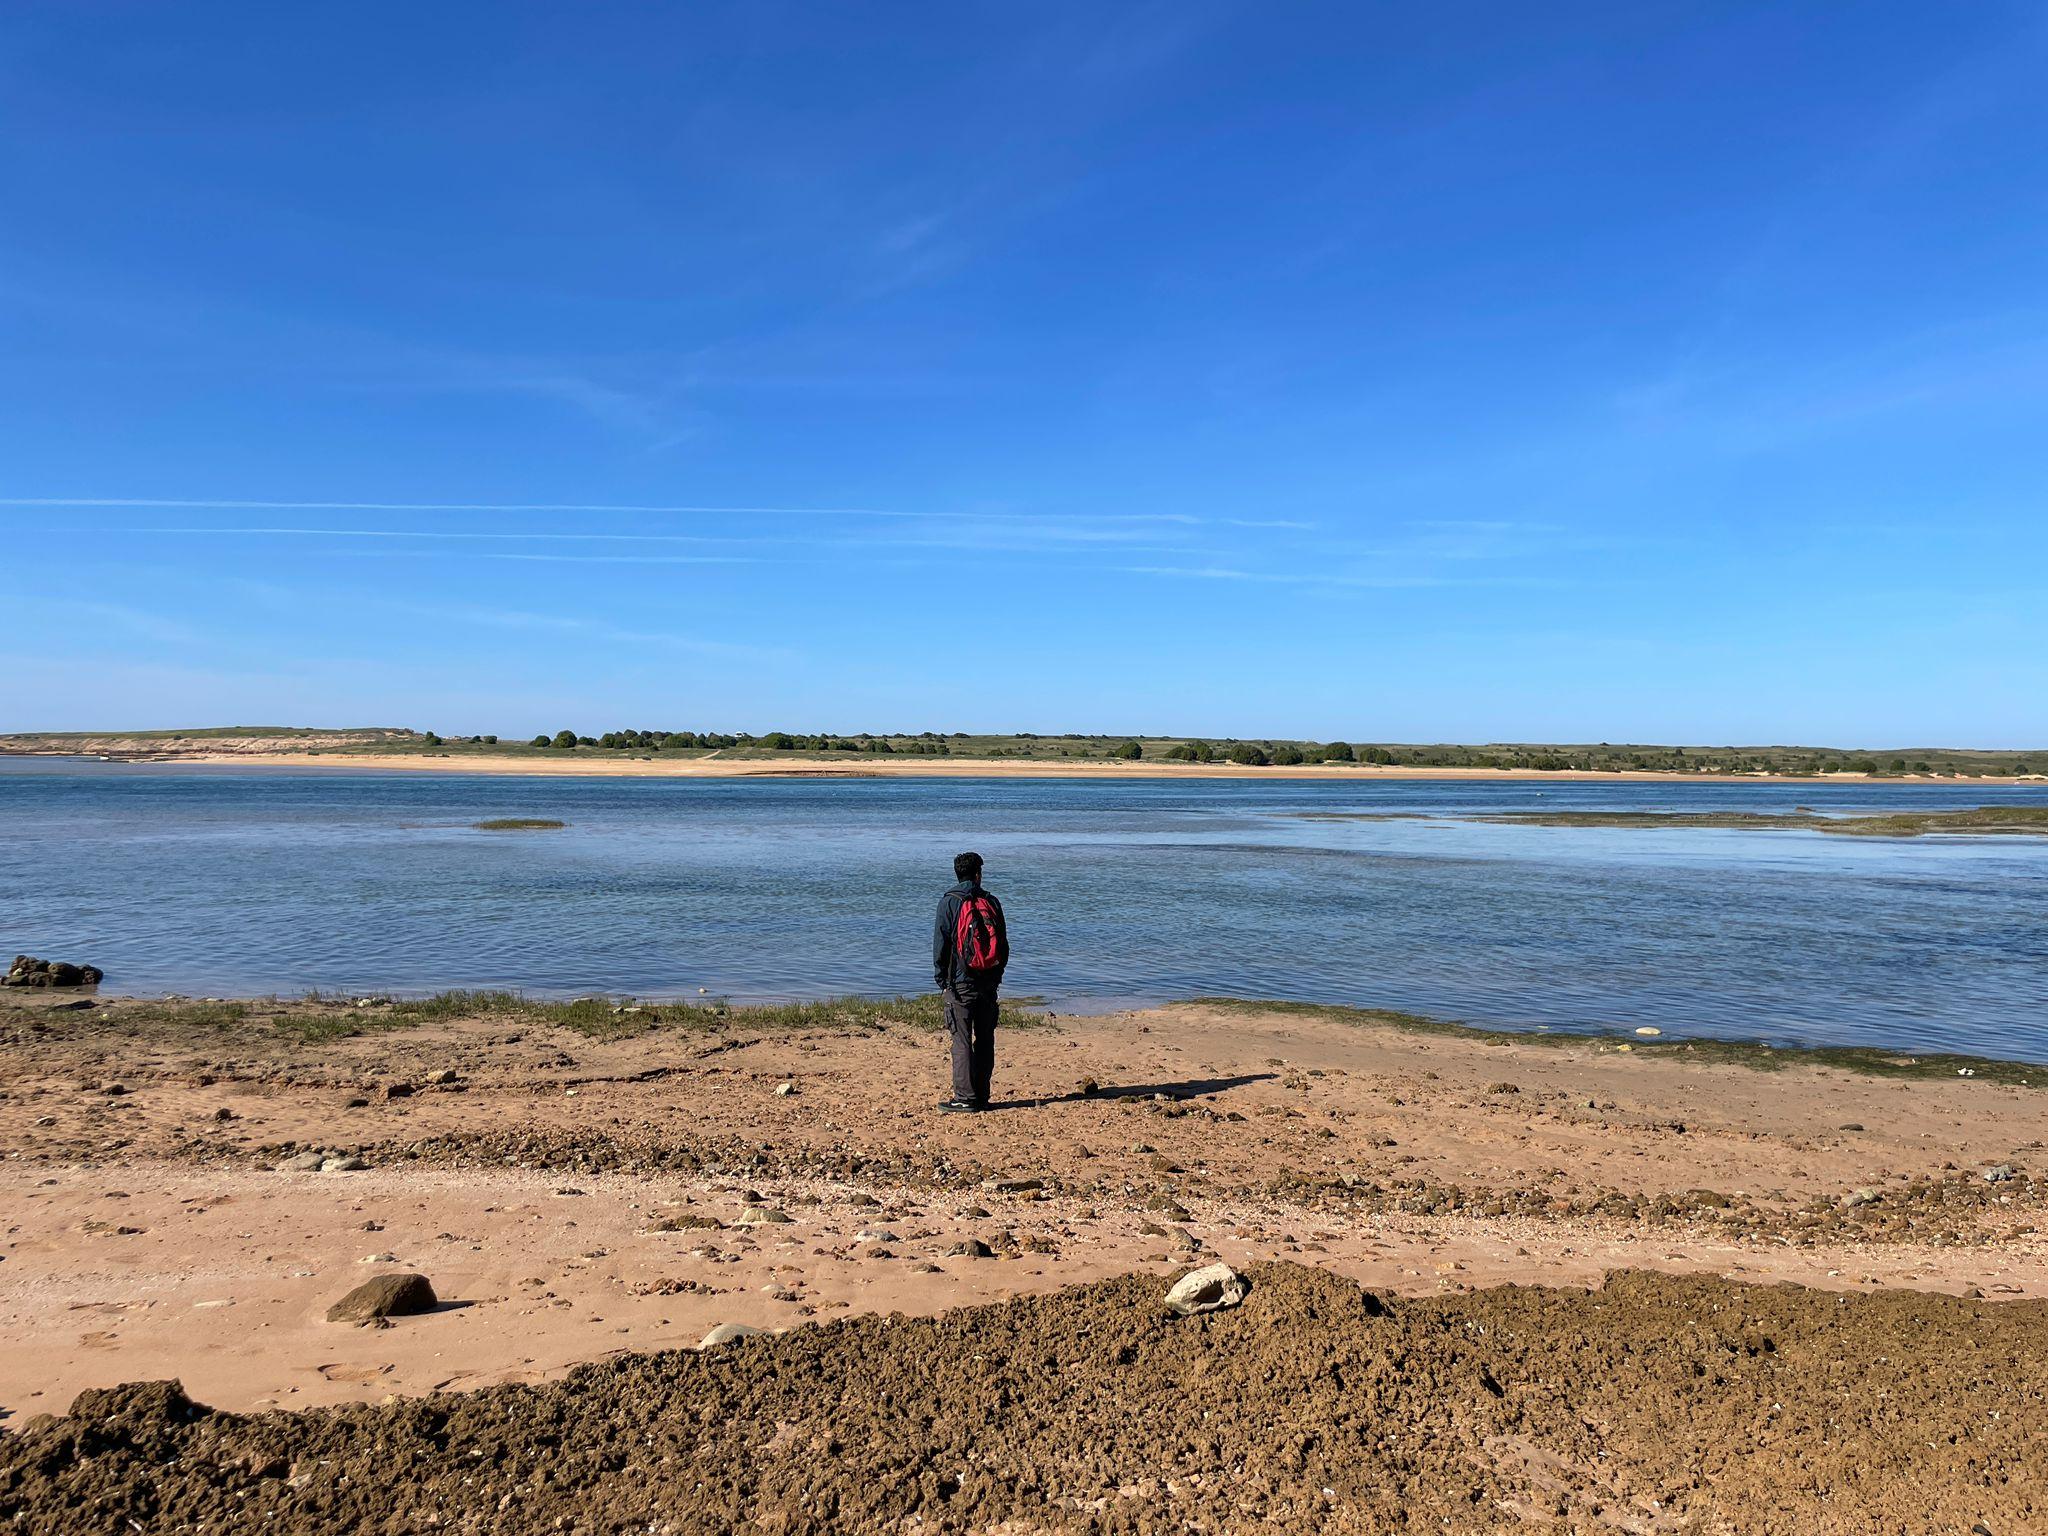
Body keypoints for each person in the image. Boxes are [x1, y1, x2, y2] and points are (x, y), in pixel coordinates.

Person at [932, 850, 1009, 1112]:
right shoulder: (993, 901)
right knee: (985, 1039)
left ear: (957, 873)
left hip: (960, 983)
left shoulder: (948, 902)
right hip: (988, 982)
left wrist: (942, 979)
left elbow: (940, 945)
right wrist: (996, 977)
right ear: (978, 875)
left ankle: (965, 1098)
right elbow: (1004, 945)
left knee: (961, 1040)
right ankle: (983, 1095)